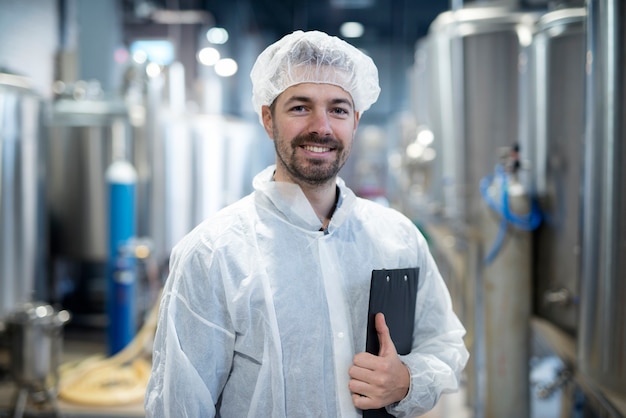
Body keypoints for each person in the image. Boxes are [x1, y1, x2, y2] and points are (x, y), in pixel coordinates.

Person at [144, 30, 469, 417]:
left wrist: (407, 381)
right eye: (300, 107)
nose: (322, 127)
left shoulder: (397, 238)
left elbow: (445, 345)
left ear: (356, 120)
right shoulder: (213, 254)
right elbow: (178, 405)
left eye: (338, 109)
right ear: (268, 118)